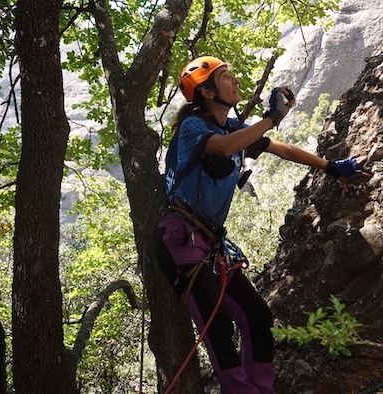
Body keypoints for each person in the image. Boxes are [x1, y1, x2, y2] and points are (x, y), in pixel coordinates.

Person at [154, 56, 370, 394]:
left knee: (258, 316)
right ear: (209, 93)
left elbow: (280, 149)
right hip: (180, 240)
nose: (236, 81)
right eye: (227, 77)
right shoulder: (194, 127)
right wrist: (271, 118)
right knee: (218, 326)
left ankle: (262, 389)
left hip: (209, 243)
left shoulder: (235, 129)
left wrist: (331, 167)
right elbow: (224, 148)